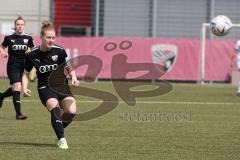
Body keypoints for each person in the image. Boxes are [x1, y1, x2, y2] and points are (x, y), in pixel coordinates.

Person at [22, 20, 79, 149]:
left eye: (53, 37)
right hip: (45, 87)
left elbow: (68, 66)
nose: (51, 40)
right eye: (48, 37)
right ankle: (62, 139)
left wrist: (73, 77)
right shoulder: (32, 54)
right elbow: (25, 73)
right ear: (41, 37)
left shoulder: (59, 51)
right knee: (55, 108)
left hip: (61, 85)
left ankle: (57, 125)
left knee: (71, 111)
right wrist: (24, 88)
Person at [0, 16, 34, 120]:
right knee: (18, 87)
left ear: (24, 26)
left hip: (24, 67)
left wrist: (31, 53)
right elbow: (1, 46)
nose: (20, 26)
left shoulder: (28, 38)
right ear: (15, 26)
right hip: (12, 66)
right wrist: (2, 53)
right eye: (18, 24)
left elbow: (33, 49)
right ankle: (18, 114)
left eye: (22, 24)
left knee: (16, 88)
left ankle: (1, 96)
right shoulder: (9, 38)